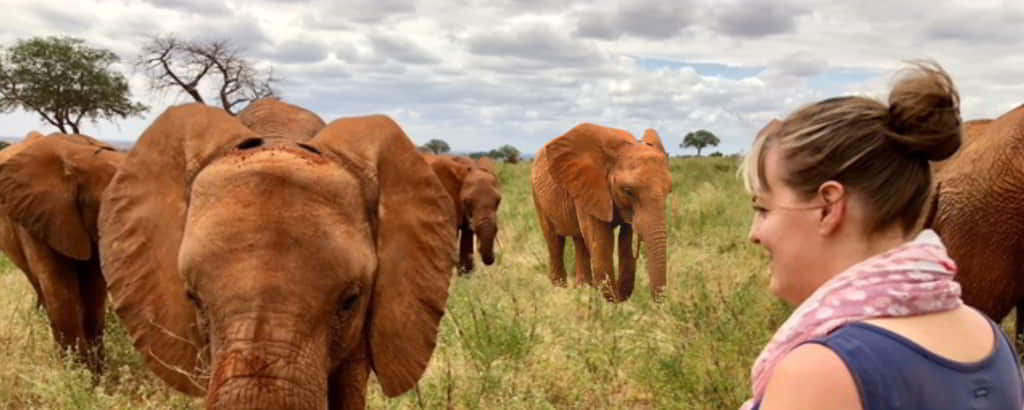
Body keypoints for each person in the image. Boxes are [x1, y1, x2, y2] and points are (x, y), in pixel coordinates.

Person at [739, 61, 1024, 410]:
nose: (755, 233)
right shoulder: (992, 341)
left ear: (828, 207)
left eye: (763, 208)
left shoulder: (822, 370)